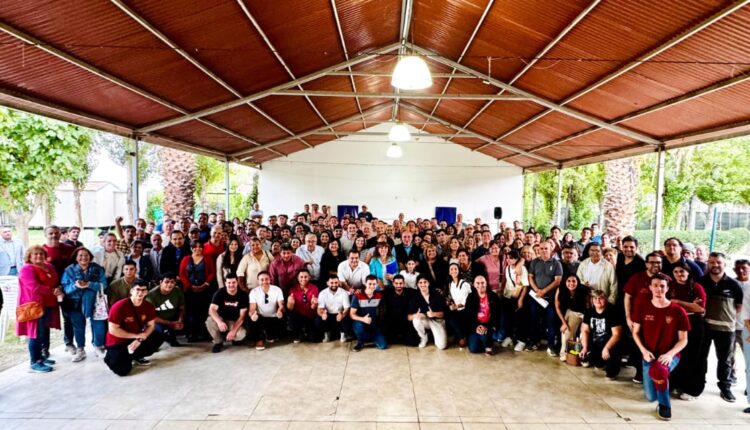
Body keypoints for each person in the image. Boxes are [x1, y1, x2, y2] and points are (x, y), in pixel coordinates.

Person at [631, 274, 689, 421]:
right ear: (650, 287)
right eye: (655, 285)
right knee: (651, 397)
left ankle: (665, 406)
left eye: (662, 286)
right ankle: (661, 386)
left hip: (669, 356)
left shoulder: (678, 311)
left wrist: (670, 354)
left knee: (659, 371)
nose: (659, 289)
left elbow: (683, 340)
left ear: (667, 288)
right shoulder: (642, 307)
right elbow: (635, 333)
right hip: (649, 355)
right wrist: (643, 351)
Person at [697, 252, 743, 402]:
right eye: (712, 262)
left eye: (718, 262)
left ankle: (725, 387)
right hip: (704, 328)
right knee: (701, 357)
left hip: (726, 329)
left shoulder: (733, 284)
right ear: (708, 263)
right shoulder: (700, 282)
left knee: (725, 360)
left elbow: (738, 307)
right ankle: (699, 384)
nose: (715, 265)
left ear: (724, 264)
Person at [16, 246, 62, 372]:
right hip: (34, 306)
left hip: (49, 303)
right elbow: (34, 287)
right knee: (35, 333)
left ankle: (41, 357)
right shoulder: (27, 269)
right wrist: (53, 291)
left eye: (41, 253)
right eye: (35, 254)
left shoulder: (49, 266)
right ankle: (34, 362)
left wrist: (58, 288)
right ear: (29, 256)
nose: (39, 256)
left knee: (43, 332)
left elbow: (55, 281)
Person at [104, 281, 162, 376]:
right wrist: (136, 336)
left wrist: (139, 339)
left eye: (143, 290)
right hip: (118, 341)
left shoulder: (148, 306)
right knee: (122, 371)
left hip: (136, 337)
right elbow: (113, 330)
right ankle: (111, 356)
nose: (140, 293)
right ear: (131, 291)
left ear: (147, 292)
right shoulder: (119, 306)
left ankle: (135, 356)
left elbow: (151, 326)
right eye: (137, 289)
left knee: (158, 336)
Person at [61, 247, 108, 361]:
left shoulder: (97, 269)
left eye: (86, 255)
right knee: (78, 326)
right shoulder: (69, 270)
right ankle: (80, 349)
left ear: (90, 257)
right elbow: (65, 288)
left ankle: (98, 346)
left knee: (98, 324)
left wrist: (89, 284)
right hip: (75, 302)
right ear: (76, 258)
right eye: (80, 255)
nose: (84, 257)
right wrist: (75, 286)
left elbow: (104, 285)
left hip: (95, 301)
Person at [668, 263, 706, 400]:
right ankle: (675, 384)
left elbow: (700, 309)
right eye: (676, 271)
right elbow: (666, 303)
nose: (679, 274)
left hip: (694, 324)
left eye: (682, 271)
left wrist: (678, 302)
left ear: (688, 272)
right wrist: (690, 304)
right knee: (676, 355)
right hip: (675, 324)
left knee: (693, 357)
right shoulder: (669, 286)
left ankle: (691, 389)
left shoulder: (696, 287)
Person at [43, 225, 76, 352]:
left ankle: (69, 343)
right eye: (51, 233)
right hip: (48, 291)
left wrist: (63, 286)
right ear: (45, 235)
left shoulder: (68, 249)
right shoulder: (41, 251)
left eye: (56, 233)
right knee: (45, 319)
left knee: (68, 318)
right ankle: (44, 348)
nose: (54, 235)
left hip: (66, 289)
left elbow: (74, 268)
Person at [528, 241, 563, 355]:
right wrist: (537, 290)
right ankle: (534, 342)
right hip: (536, 298)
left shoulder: (556, 263)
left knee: (551, 322)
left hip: (550, 299)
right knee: (534, 321)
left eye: (546, 248)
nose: (543, 250)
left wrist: (544, 291)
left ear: (551, 249)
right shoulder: (534, 262)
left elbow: (557, 281)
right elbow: (530, 277)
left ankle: (551, 346)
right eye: (541, 248)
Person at [580, 290, 623, 379]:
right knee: (596, 363)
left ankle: (613, 368)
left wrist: (607, 348)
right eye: (595, 298)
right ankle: (601, 362)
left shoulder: (613, 312)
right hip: (596, 341)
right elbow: (585, 330)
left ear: (605, 299)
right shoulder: (589, 312)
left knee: (610, 373)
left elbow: (617, 334)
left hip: (611, 342)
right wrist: (585, 347)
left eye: (601, 298)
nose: (597, 300)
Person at [179, 240, 216, 342]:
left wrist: (206, 284)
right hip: (190, 290)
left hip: (205, 289)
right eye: (195, 247)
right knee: (192, 312)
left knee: (204, 311)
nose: (198, 249)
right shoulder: (186, 259)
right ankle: (193, 334)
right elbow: (181, 274)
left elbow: (212, 272)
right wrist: (189, 285)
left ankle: (205, 333)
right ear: (191, 248)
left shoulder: (207, 258)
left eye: (200, 247)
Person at [206, 274, 248, 353]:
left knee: (241, 334)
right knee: (209, 321)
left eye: (233, 282)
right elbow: (211, 310)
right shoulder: (219, 293)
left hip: (234, 321)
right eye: (229, 283)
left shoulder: (243, 295)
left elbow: (242, 316)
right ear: (225, 283)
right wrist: (219, 322)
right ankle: (218, 342)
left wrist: (233, 331)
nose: (231, 285)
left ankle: (233, 338)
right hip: (221, 319)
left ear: (237, 282)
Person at [555, 274, 590, 360]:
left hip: (585, 313)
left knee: (583, 334)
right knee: (566, 331)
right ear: (565, 282)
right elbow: (557, 307)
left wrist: (585, 324)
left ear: (578, 282)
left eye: (574, 281)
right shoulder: (561, 289)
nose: (571, 283)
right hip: (573, 312)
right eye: (569, 281)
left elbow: (588, 307)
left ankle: (584, 356)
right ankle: (565, 353)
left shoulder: (584, 289)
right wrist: (564, 323)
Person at [408, 275, 448, 349]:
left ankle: (434, 334)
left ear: (428, 283)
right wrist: (415, 316)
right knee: (416, 320)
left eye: (425, 282)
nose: (423, 284)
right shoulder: (415, 297)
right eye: (420, 282)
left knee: (441, 346)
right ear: (417, 284)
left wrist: (434, 314)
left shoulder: (436, 294)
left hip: (437, 321)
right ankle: (424, 337)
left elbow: (444, 313)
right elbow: (408, 317)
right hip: (425, 320)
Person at [248, 271, 285, 350]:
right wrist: (252, 315)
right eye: (262, 280)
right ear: (258, 281)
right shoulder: (254, 292)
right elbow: (252, 309)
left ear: (270, 279)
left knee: (276, 334)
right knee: (252, 319)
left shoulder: (277, 289)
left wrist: (280, 310)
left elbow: (281, 305)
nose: (264, 281)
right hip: (261, 318)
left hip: (274, 317)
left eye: (266, 279)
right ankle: (259, 341)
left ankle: (269, 334)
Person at [146, 273, 185, 347]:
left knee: (190, 322)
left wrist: (180, 321)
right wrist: (170, 323)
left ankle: (171, 336)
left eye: (172, 282)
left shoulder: (177, 291)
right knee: (158, 330)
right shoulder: (151, 295)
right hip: (158, 321)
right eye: (167, 282)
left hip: (173, 318)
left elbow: (182, 308)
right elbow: (151, 317)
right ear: (161, 282)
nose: (169, 284)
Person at [465, 275, 501, 355]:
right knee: (473, 349)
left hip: (488, 325)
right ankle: (484, 341)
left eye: (482, 283)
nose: (480, 285)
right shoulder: (470, 297)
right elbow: (468, 316)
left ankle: (488, 344)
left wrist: (488, 326)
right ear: (474, 285)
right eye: (477, 283)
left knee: (484, 335)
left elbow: (497, 315)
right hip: (475, 325)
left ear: (486, 283)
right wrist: (476, 326)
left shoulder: (493, 296)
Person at [350, 275, 387, 351]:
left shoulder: (379, 295)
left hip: (373, 324)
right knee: (359, 326)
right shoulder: (357, 295)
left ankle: (369, 338)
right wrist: (363, 319)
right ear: (365, 284)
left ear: (377, 284)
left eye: (374, 284)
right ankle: (360, 342)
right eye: (369, 284)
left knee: (383, 346)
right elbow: (352, 314)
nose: (372, 286)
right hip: (360, 322)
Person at [383, 274, 419, 346]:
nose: (398, 285)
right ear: (393, 283)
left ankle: (402, 337)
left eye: (400, 283)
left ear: (404, 283)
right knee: (388, 340)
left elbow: (422, 290)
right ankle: (400, 338)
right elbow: (374, 293)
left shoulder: (410, 292)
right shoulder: (388, 292)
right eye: (396, 283)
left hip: (405, 321)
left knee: (414, 342)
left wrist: (437, 290)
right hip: (393, 321)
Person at [286, 270, 320, 343]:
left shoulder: (314, 288)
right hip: (298, 316)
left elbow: (313, 307)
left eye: (305, 277)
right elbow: (290, 308)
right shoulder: (293, 289)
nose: (303, 279)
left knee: (313, 339)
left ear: (309, 277)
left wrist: (314, 304)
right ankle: (298, 333)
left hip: (310, 315)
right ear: (298, 278)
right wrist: (290, 303)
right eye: (301, 277)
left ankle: (307, 332)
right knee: (293, 315)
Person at [316, 277, 350, 343]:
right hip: (328, 314)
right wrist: (322, 314)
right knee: (318, 320)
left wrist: (342, 314)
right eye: (331, 283)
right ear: (327, 283)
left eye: (336, 283)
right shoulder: (322, 293)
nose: (334, 285)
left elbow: (347, 308)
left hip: (339, 314)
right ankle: (327, 333)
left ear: (338, 283)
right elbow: (319, 309)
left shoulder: (344, 293)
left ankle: (343, 334)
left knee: (347, 318)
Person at [446, 263, 471, 347]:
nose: (453, 271)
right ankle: (459, 335)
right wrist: (450, 303)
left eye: (455, 269)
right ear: (449, 272)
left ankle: (462, 337)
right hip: (457, 309)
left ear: (459, 271)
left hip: (466, 309)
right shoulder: (450, 284)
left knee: (453, 317)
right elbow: (453, 298)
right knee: (447, 314)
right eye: (451, 269)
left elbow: (465, 302)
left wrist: (455, 307)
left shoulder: (464, 284)